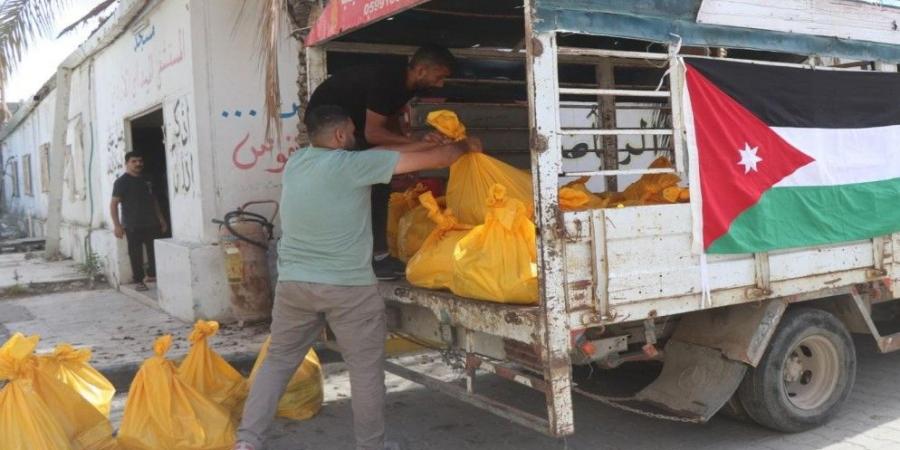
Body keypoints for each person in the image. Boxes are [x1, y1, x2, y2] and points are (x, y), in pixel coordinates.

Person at [233, 105, 480, 450]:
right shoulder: (352, 167)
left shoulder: (298, 162)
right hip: (347, 287)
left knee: (277, 362)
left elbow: (379, 153)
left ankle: (247, 441)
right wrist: (464, 146)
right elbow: (433, 160)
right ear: (339, 136)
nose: (355, 138)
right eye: (351, 132)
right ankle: (371, 446)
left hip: (294, 285)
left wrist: (420, 140)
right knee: (365, 372)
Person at [305, 44, 457, 280]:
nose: (440, 84)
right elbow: (375, 134)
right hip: (332, 131)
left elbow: (387, 124)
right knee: (376, 187)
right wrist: (418, 143)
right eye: (439, 77)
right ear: (422, 69)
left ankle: (378, 256)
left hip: (350, 131)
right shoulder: (388, 81)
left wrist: (408, 145)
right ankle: (377, 258)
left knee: (380, 183)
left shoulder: (403, 85)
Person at [109, 152, 168, 291]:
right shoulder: (121, 182)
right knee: (135, 254)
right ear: (127, 163)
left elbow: (154, 201)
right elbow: (113, 204)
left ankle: (152, 275)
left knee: (154, 251)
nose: (138, 164)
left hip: (151, 223)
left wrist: (161, 220)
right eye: (134, 161)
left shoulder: (147, 179)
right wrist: (117, 226)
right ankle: (139, 281)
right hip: (132, 225)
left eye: (140, 161)